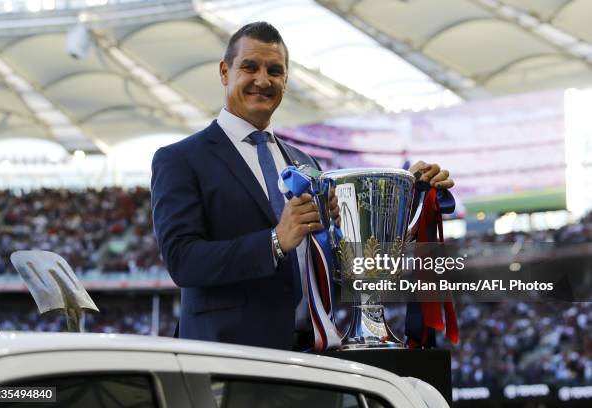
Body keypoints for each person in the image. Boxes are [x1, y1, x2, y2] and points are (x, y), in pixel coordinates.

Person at [151, 22, 454, 351]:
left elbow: (330, 273)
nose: (263, 80)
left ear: (286, 79)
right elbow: (183, 261)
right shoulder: (180, 159)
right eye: (250, 67)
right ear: (225, 72)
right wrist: (275, 241)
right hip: (228, 358)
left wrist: (404, 210)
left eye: (275, 71)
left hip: (312, 355)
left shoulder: (305, 163)